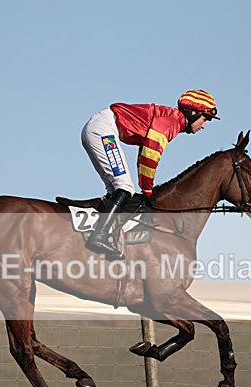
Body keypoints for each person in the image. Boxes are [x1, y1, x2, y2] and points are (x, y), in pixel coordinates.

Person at [80, 89, 219, 260]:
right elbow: (150, 156)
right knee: (124, 187)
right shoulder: (170, 123)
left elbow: (144, 154)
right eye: (205, 119)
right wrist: (147, 191)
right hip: (103, 130)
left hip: (99, 127)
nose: (204, 125)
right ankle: (99, 236)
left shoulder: (171, 119)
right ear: (193, 113)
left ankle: (104, 233)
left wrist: (145, 187)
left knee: (116, 189)